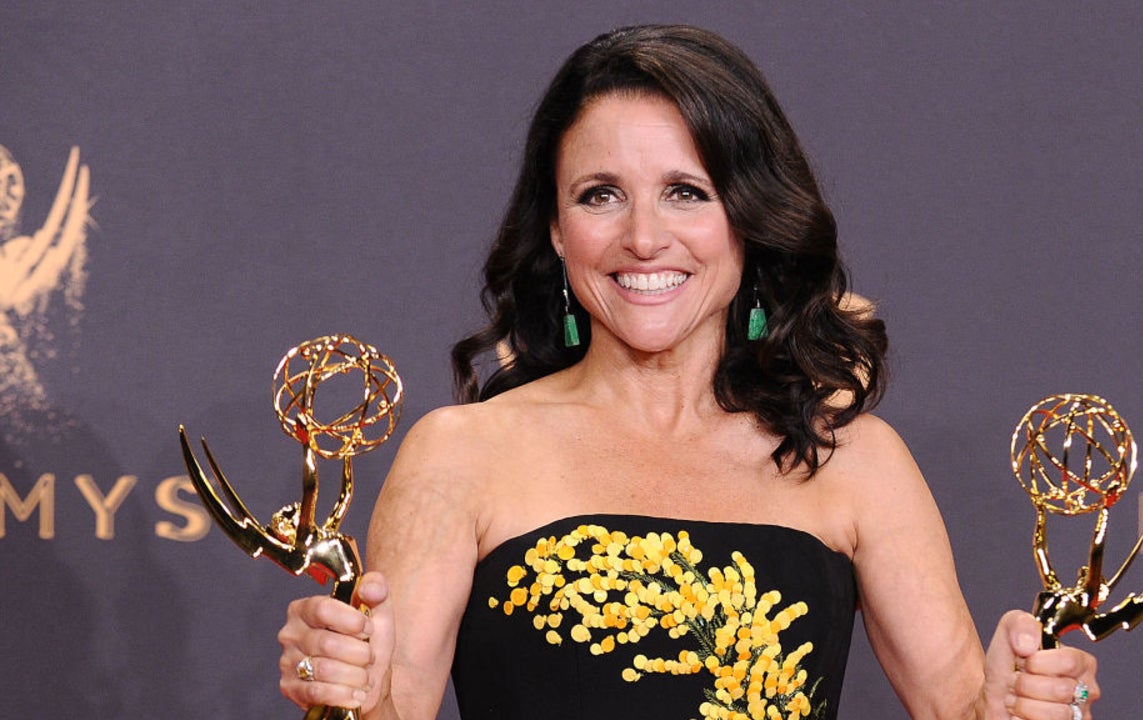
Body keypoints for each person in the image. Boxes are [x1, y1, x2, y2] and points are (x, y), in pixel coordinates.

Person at [276, 25, 1099, 720]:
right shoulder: (462, 453)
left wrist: (1023, 706)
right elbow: (388, 707)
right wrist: (340, 690)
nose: (643, 238)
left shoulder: (855, 463)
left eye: (686, 192)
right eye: (600, 195)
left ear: (749, 217)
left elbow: (966, 710)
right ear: (557, 229)